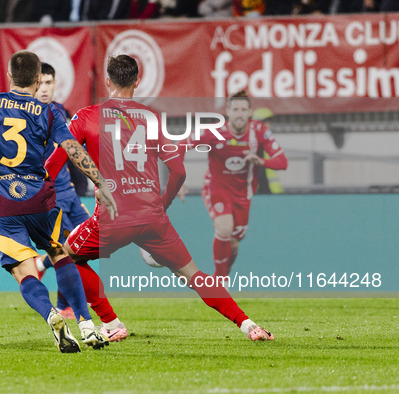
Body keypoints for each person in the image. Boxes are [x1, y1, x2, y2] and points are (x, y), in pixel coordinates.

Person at [46, 55, 274, 341]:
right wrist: (160, 207)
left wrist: (38, 194)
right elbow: (178, 171)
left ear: (107, 81)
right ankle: (249, 325)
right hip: (152, 217)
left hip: (113, 217)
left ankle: (112, 322)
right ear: (137, 81)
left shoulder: (87, 116)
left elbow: (56, 161)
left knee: (65, 257)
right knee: (194, 274)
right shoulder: (151, 119)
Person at [0, 50, 117, 353]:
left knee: (23, 271)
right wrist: (99, 181)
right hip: (40, 201)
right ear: (38, 80)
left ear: (10, 76)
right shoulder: (48, 111)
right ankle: (87, 324)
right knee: (58, 253)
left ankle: (51, 314)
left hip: (1, 204)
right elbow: (71, 147)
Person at [33, 62, 127, 339]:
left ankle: (45, 272)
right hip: (51, 198)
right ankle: (68, 307)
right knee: (68, 252)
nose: (46, 88)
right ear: (33, 84)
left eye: (50, 83)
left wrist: (85, 183)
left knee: (77, 250)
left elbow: (76, 151)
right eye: (41, 83)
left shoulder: (61, 112)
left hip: (71, 195)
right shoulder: (27, 114)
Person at [186, 91, 288, 278]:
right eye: (235, 109)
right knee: (224, 228)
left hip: (243, 193)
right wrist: (179, 178)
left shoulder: (259, 131)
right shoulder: (214, 132)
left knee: (233, 245)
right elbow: (180, 145)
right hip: (216, 187)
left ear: (249, 112)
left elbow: (282, 162)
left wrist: (260, 161)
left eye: (243, 109)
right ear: (228, 112)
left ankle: (223, 274)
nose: (239, 113)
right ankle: (220, 279)